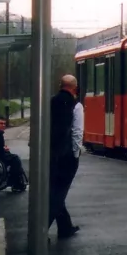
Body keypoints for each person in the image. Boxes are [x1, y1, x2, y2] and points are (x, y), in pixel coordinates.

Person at [48, 74, 80, 239]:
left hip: (50, 153)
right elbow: (75, 132)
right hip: (65, 155)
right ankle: (39, 230)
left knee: (56, 192)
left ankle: (65, 227)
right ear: (74, 87)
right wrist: (76, 153)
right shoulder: (74, 105)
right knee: (58, 194)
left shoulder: (52, 102)